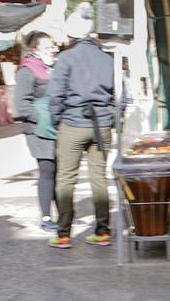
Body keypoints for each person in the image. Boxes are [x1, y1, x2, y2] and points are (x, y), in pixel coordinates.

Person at [46, 13, 117, 250]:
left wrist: (58, 121)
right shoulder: (107, 58)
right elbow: (119, 94)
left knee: (66, 179)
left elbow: (55, 96)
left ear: (70, 34)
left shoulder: (65, 58)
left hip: (73, 123)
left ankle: (64, 234)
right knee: (99, 178)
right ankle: (103, 231)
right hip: (102, 124)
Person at [13, 33, 60, 232]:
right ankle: (47, 217)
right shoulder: (27, 71)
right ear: (35, 50)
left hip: (55, 128)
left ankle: (63, 214)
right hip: (38, 131)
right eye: (48, 48)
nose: (53, 51)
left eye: (53, 47)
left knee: (59, 172)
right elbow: (21, 105)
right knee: (47, 171)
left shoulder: (52, 69)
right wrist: (42, 119)